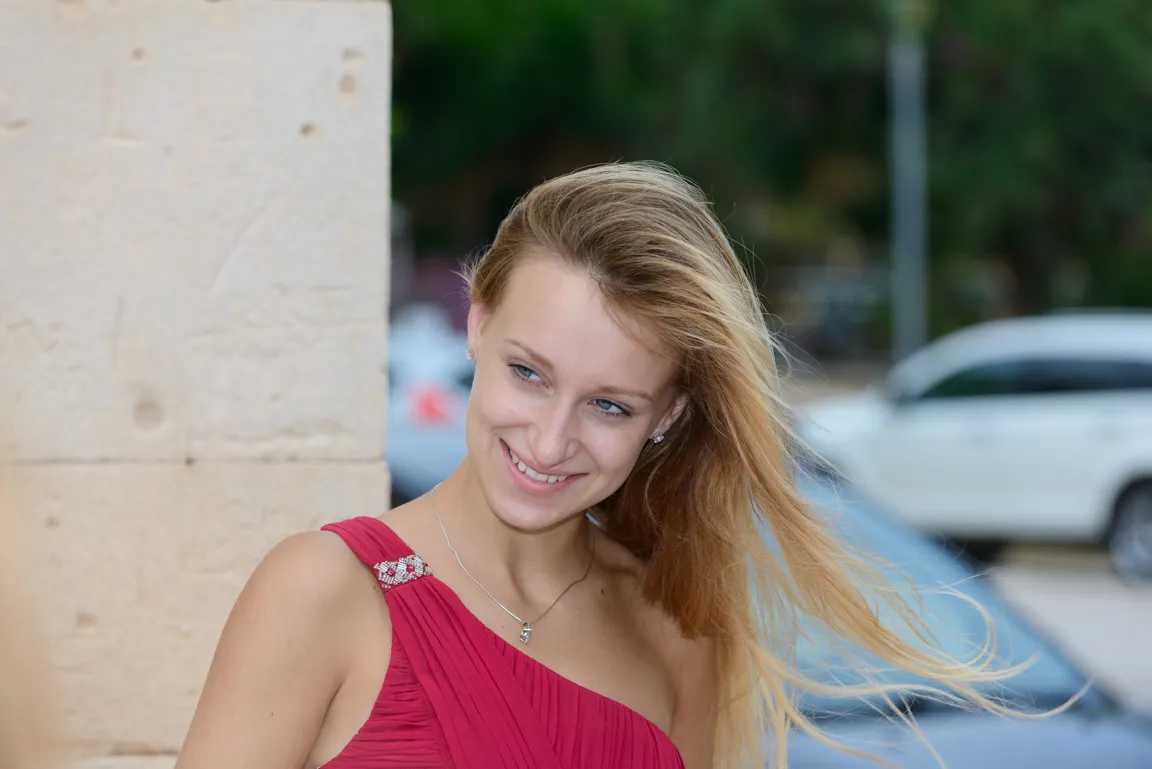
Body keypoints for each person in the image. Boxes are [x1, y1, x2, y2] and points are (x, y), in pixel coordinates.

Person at [176, 163, 1032, 769]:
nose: (549, 442)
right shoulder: (323, 590)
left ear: (672, 414)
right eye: (528, 373)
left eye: (610, 405)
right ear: (476, 324)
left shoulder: (677, 632)